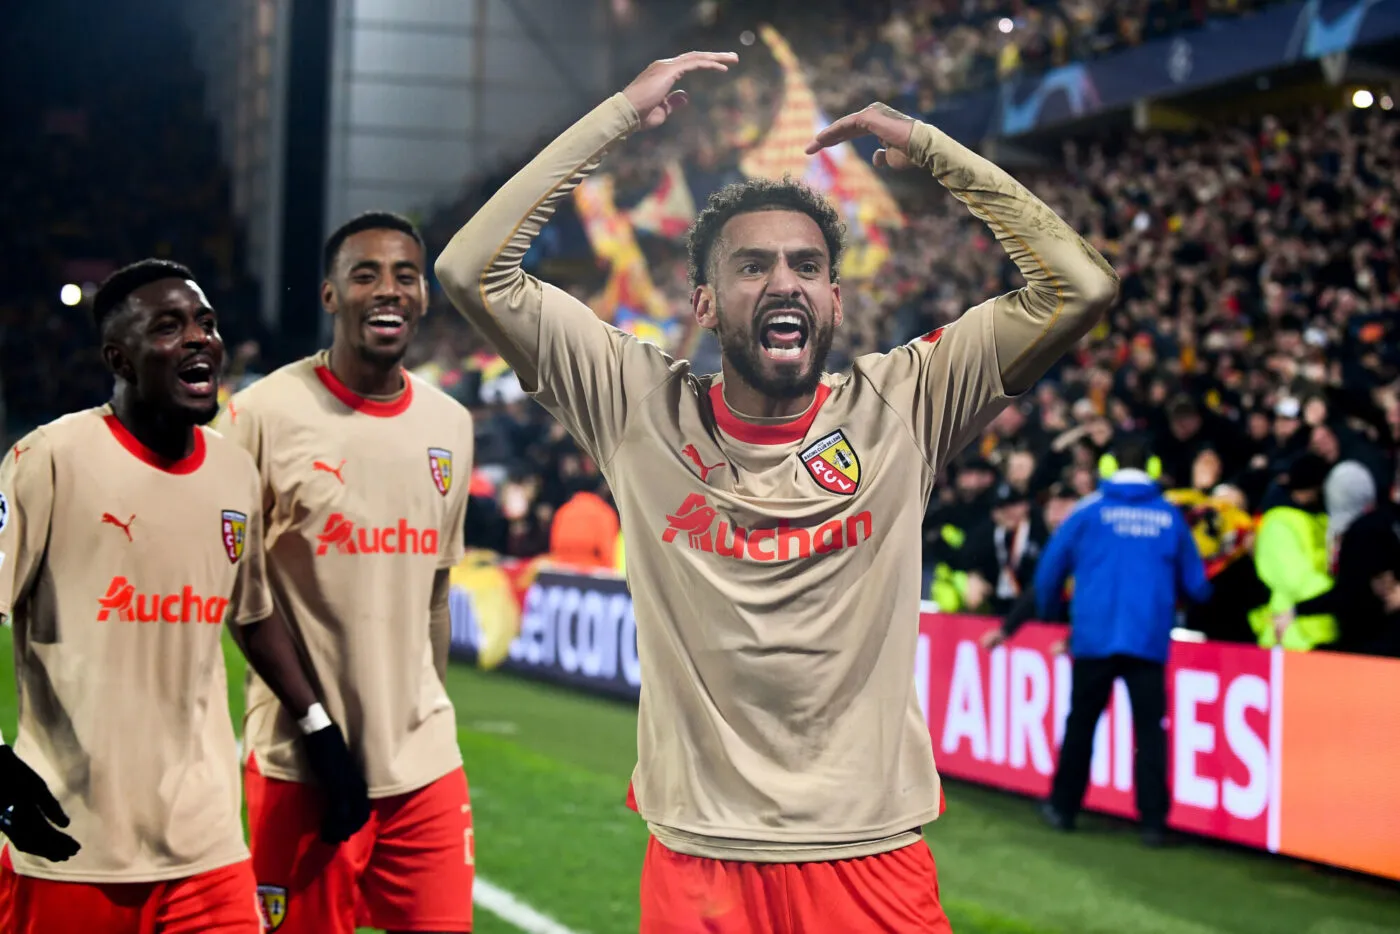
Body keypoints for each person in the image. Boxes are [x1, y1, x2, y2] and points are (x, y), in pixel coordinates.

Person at [436, 51, 1118, 931]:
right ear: (705, 304)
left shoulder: (904, 404)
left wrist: (934, 149)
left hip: (869, 858)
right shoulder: (638, 407)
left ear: (834, 301)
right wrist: (616, 117)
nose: (784, 281)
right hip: (700, 864)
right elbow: (472, 269)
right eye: (752, 266)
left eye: (806, 265)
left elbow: (1081, 285)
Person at [0, 260, 362, 933]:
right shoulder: (48, 460)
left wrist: (319, 729)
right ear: (120, 359)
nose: (199, 338)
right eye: (169, 327)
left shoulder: (233, 470)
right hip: (71, 847)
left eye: (206, 323)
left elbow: (252, 613)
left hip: (208, 849)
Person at [218, 212, 476, 934]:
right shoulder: (259, 416)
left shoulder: (450, 424)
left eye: (404, 276)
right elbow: (239, 593)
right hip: (301, 767)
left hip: (423, 767)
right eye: (365, 275)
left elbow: (435, 594)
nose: (387, 289)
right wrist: (315, 725)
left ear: (423, 296)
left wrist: (424, 707)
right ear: (330, 295)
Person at [1031, 437, 1211, 847]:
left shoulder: (1088, 510)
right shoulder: (1169, 516)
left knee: (1082, 723)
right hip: (1147, 639)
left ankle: (1063, 807)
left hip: (1093, 638)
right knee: (1149, 732)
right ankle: (1153, 823)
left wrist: (1050, 613)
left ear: (1109, 466)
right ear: (1152, 468)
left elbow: (1049, 570)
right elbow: (1197, 585)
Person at [1289, 460, 1400, 656]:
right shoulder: (1379, 525)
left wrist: (1298, 610)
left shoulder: (1363, 532)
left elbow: (1349, 593)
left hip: (1372, 647)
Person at [1248, 453, 1336, 650]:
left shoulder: (1321, 519)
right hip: (1293, 634)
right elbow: (1294, 578)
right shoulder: (1278, 522)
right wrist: (1338, 595)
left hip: (1323, 630)